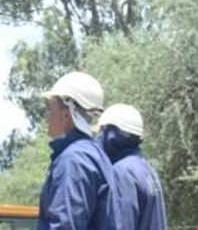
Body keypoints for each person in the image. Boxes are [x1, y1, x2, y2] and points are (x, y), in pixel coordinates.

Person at [37, 71, 121, 230]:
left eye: (49, 108)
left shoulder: (73, 161)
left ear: (66, 115)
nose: (46, 116)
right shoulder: (94, 155)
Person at [97, 104, 168, 230]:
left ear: (113, 135)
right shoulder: (146, 169)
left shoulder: (121, 173)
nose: (99, 136)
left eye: (102, 130)